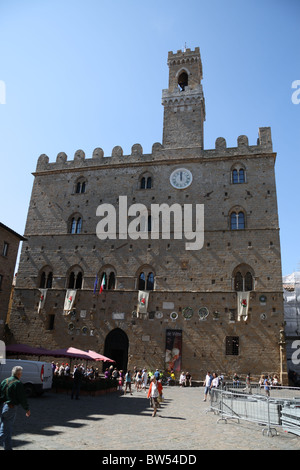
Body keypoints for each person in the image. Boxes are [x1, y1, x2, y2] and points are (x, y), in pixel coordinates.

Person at [0, 366, 31, 450]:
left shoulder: (4, 381)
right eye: (21, 374)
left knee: (8, 429)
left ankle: (8, 448)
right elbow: (22, 398)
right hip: (10, 408)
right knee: (4, 431)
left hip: (3, 407)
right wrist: (27, 409)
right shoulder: (18, 383)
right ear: (18, 374)